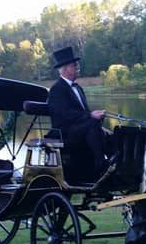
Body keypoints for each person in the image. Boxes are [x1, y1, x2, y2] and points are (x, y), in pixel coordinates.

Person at [48, 46, 114, 178]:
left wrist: (98, 123)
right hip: (65, 131)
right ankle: (100, 165)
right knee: (92, 125)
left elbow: (84, 113)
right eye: (74, 65)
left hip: (81, 128)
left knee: (113, 132)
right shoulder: (57, 89)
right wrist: (90, 116)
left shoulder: (78, 88)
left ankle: (115, 162)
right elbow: (65, 114)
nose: (78, 68)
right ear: (65, 69)